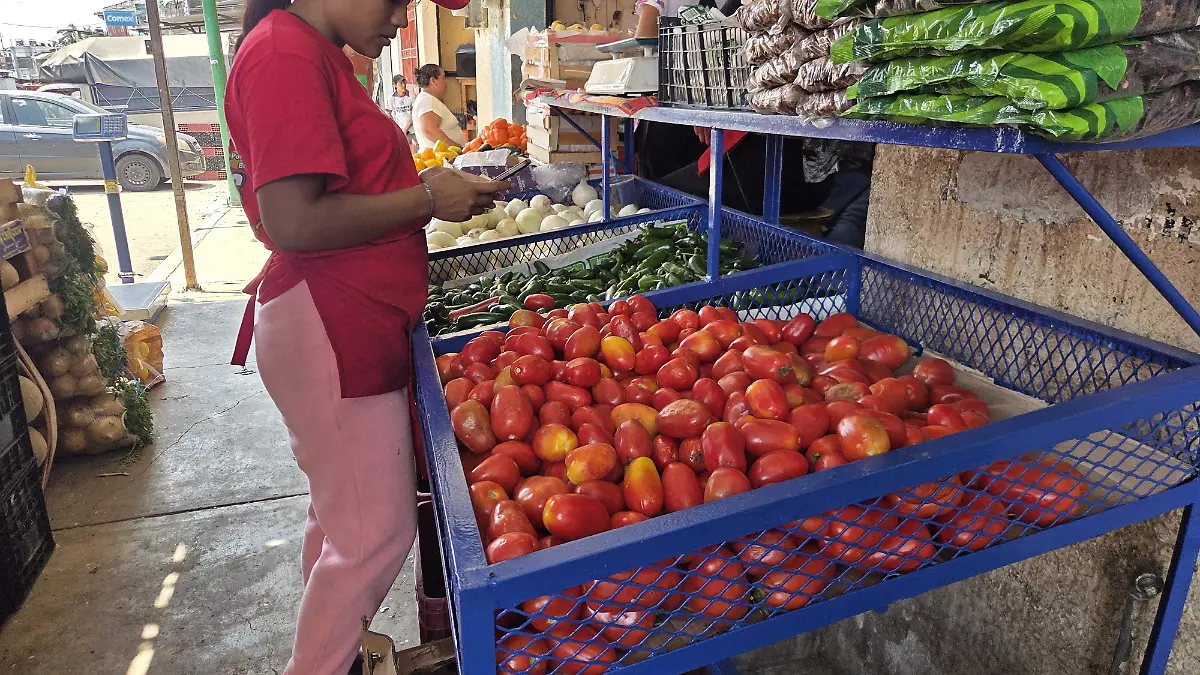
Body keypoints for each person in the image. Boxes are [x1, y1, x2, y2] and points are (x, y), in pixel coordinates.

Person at [224, 0, 506, 673]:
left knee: (343, 523)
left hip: (340, 321)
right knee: (375, 533)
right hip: (330, 326)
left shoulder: (309, 50)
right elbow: (291, 219)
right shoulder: (282, 54)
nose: (403, 18)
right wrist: (427, 199)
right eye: (396, 0)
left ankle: (336, 654)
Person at [411, 63, 467, 150]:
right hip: (441, 159)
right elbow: (429, 129)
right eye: (443, 78)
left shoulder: (428, 99)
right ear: (433, 81)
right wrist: (458, 150)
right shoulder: (428, 101)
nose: (446, 82)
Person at [388, 73, 414, 139]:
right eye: (400, 83)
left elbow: (414, 114)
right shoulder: (391, 98)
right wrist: (396, 127)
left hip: (412, 130)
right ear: (394, 84)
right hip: (400, 130)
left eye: (404, 83)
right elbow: (389, 113)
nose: (404, 85)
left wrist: (406, 129)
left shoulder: (411, 96)